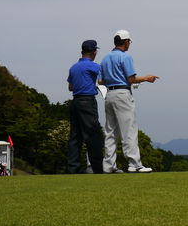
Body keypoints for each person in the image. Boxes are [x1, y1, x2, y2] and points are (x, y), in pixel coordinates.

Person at [99, 30, 159, 173]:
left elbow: (100, 80)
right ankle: (134, 164)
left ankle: (108, 166)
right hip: (122, 94)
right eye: (129, 42)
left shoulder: (105, 58)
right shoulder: (125, 57)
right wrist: (146, 78)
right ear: (125, 42)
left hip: (109, 94)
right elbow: (131, 79)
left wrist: (113, 78)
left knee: (110, 132)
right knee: (129, 130)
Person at [67, 40, 104, 174]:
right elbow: (102, 80)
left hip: (75, 102)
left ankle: (73, 168)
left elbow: (70, 87)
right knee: (94, 135)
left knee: (75, 136)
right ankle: (97, 168)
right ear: (94, 52)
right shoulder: (94, 66)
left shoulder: (73, 67)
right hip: (87, 102)